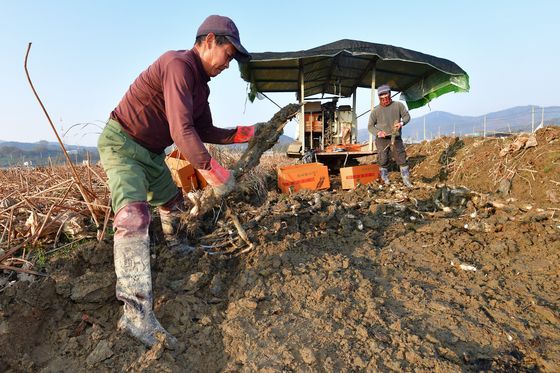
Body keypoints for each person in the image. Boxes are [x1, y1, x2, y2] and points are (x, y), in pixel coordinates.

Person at [97, 15, 254, 348]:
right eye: (229, 54)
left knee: (174, 205)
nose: (229, 63)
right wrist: (214, 173)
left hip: (151, 153)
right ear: (209, 40)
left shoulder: (200, 85)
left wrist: (247, 133)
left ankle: (178, 248)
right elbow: (181, 131)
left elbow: (205, 130)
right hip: (122, 143)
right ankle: (135, 315)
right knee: (134, 215)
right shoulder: (178, 64)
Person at [367, 84, 413, 187]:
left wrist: (401, 123)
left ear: (390, 95)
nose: (384, 100)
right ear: (379, 98)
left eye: (386, 98)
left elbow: (407, 116)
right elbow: (370, 126)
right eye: (382, 99)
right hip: (381, 139)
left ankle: (406, 180)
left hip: (395, 137)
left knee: (401, 158)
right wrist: (378, 132)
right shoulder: (376, 110)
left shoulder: (398, 105)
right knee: (383, 159)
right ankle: (385, 180)